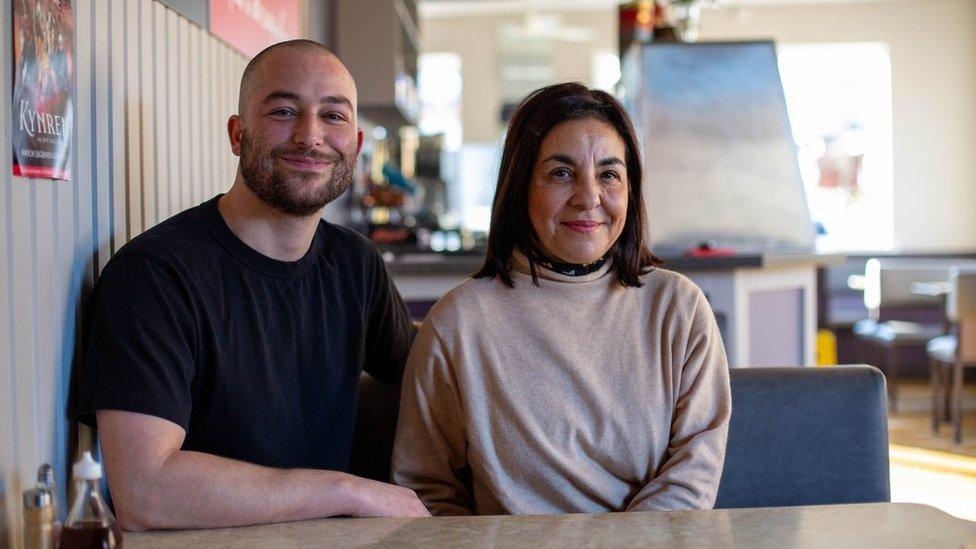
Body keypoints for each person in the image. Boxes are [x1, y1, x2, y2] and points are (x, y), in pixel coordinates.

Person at [68, 40, 430, 531]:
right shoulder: (154, 276)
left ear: (357, 146)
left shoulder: (355, 264)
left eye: (333, 116)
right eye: (284, 111)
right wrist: (347, 489)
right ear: (237, 134)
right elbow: (145, 493)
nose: (310, 136)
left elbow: (429, 366)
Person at [392, 83, 731, 515]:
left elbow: (693, 475)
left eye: (609, 174)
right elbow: (427, 492)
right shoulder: (458, 324)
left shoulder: (678, 309)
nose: (589, 197)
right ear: (520, 187)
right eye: (561, 173)